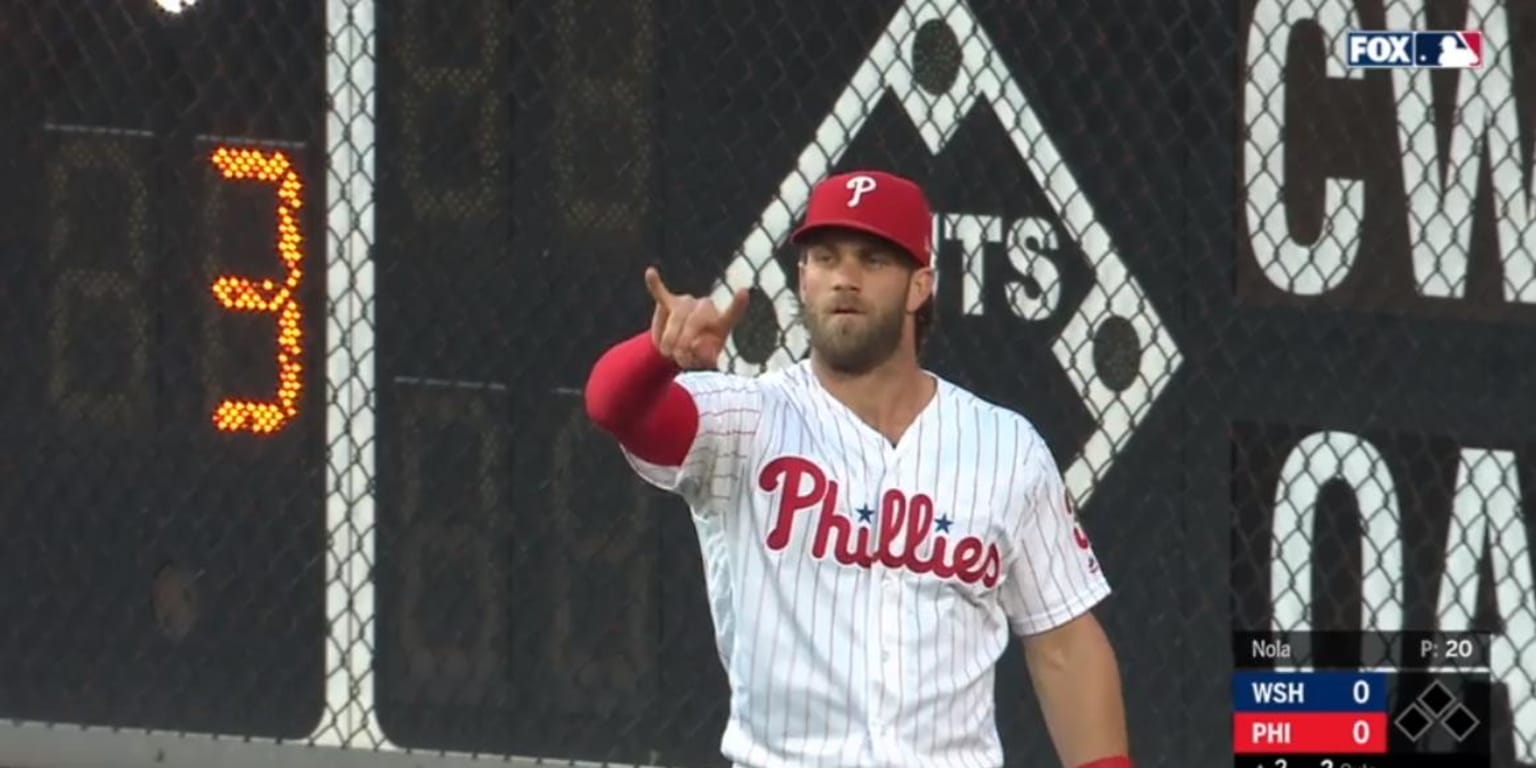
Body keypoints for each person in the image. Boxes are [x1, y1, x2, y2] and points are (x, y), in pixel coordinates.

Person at [584, 169, 1132, 768]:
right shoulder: (746, 418)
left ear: (919, 285)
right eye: (825, 257)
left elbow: (1065, 647)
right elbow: (616, 407)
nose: (844, 277)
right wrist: (657, 354)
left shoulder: (1007, 449)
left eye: (872, 260)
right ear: (802, 278)